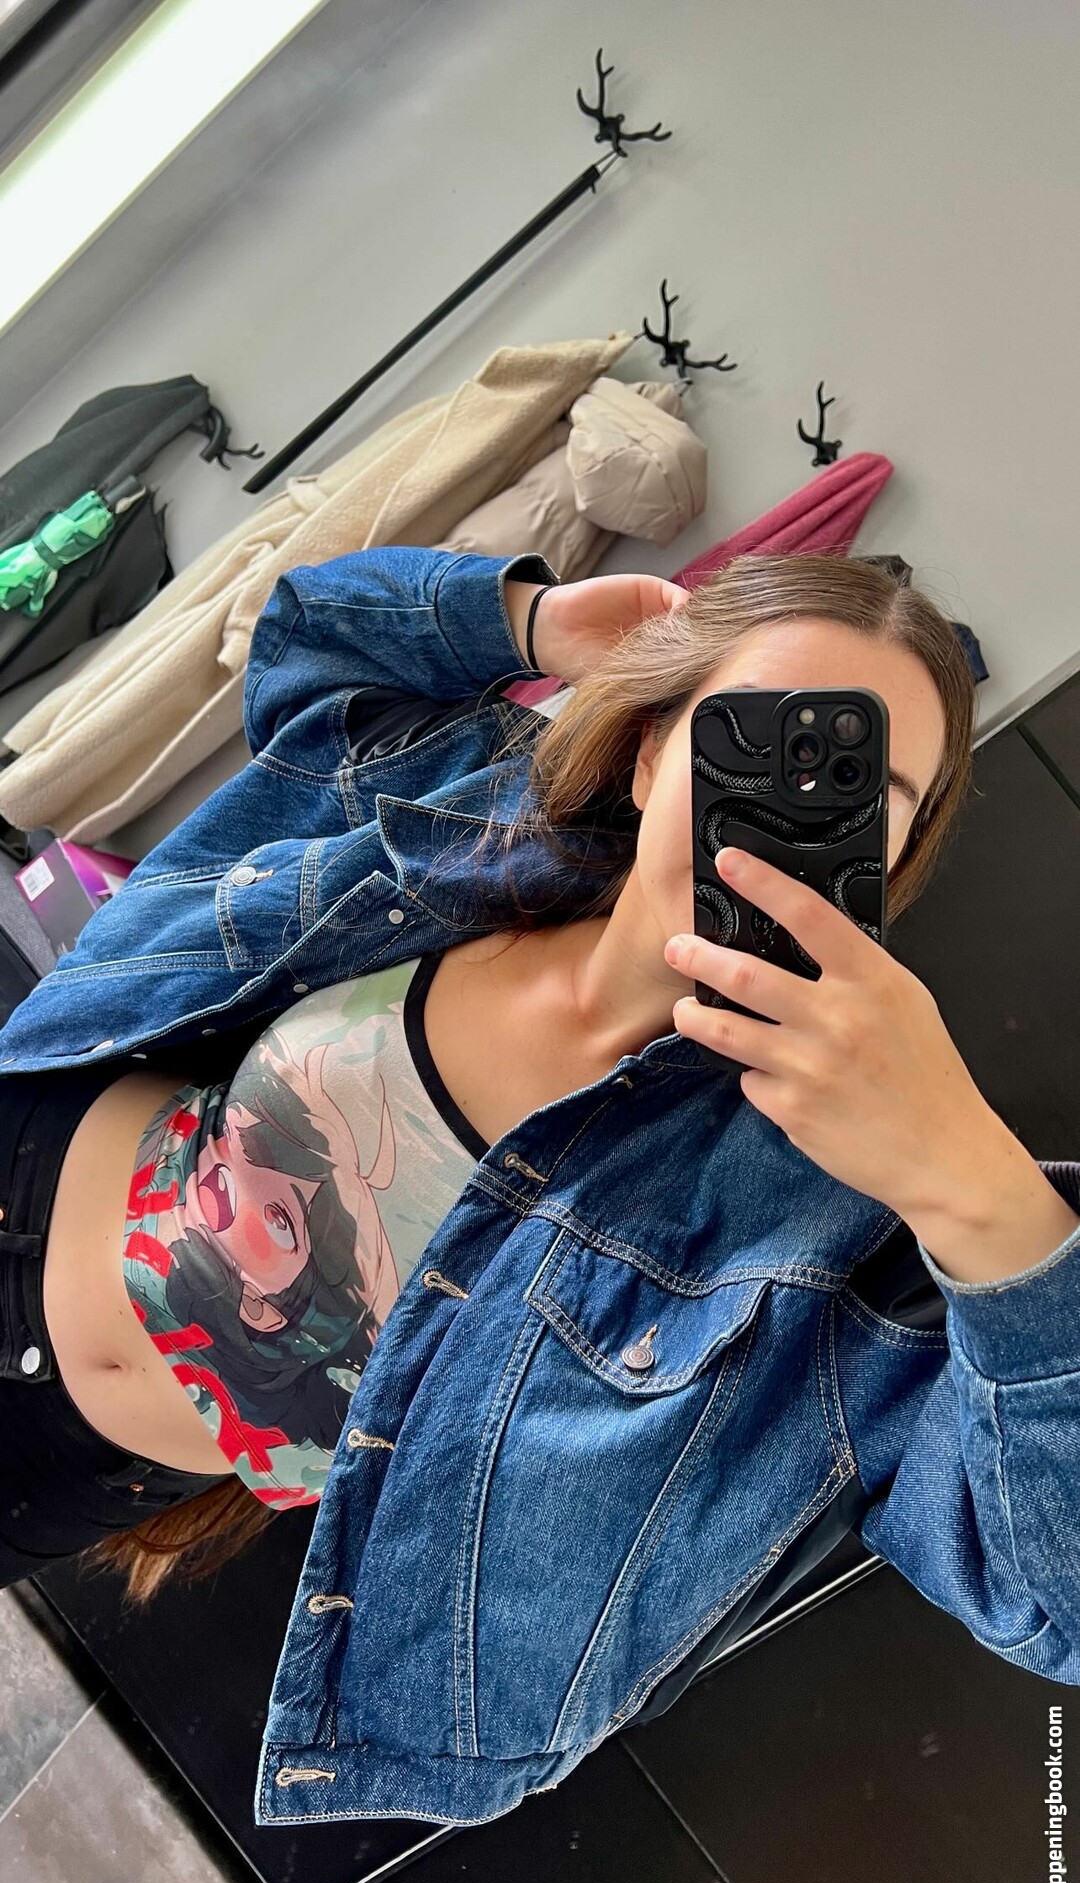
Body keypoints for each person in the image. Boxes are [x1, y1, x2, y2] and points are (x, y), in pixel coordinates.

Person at [0, 544, 1075, 1641]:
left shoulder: (806, 1220)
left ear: (891, 863)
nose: (781, 811)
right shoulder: (481, 813)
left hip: (75, 1478)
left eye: (859, 790)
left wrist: (981, 1191)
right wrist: (527, 620)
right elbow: (303, 639)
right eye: (753, 738)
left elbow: (1053, 1600)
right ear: (651, 754)